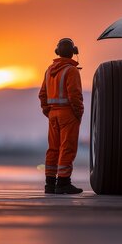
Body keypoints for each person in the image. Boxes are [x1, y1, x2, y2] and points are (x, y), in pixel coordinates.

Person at [38, 38, 84, 194]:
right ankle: (63, 183)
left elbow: (42, 94)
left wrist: (48, 111)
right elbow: (75, 95)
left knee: (53, 149)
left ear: (57, 52)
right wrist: (78, 113)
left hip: (53, 115)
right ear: (74, 52)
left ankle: (49, 184)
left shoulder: (49, 70)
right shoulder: (71, 71)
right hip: (68, 114)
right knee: (67, 148)